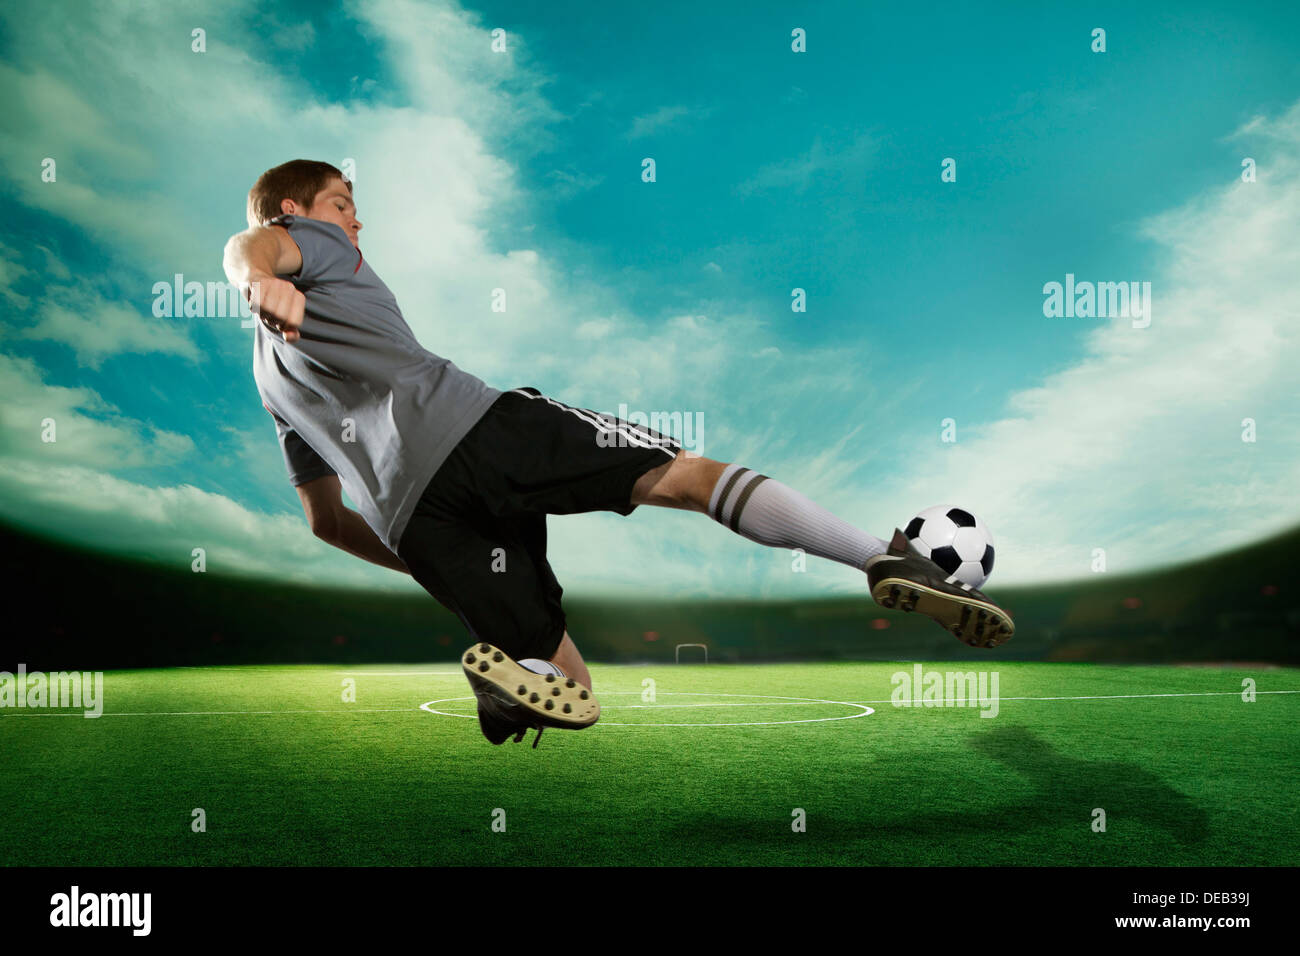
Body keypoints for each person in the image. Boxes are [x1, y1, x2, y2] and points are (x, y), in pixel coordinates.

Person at [223, 159, 1014, 748]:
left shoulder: (268, 380)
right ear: (296, 210)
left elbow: (325, 522)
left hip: (417, 525)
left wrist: (424, 562)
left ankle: (505, 697)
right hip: (478, 429)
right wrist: (260, 279)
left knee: (573, 687)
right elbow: (244, 249)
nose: (356, 223)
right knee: (686, 477)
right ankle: (883, 557)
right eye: (343, 205)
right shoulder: (306, 243)